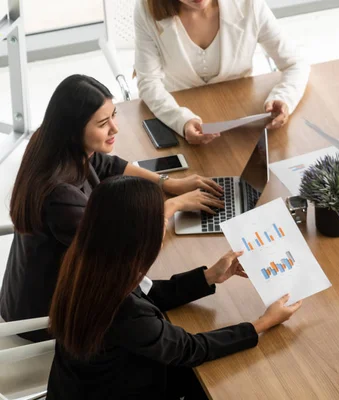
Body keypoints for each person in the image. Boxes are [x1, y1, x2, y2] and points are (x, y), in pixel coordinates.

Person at [0, 75, 225, 342]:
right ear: (73, 129)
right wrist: (172, 206)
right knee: (162, 327)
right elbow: (125, 251)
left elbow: (109, 165)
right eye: (103, 123)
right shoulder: (60, 197)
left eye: (113, 116)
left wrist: (169, 183)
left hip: (29, 294)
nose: (115, 129)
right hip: (45, 319)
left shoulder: (54, 146)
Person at [46, 176, 301, 399]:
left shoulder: (89, 264)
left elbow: (148, 294)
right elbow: (190, 349)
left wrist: (210, 276)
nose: (165, 227)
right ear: (140, 237)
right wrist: (263, 323)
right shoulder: (125, 313)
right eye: (161, 220)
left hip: (81, 385)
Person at [134, 0, 310, 145]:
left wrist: (284, 97)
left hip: (241, 123)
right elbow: (148, 83)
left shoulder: (249, 4)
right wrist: (181, 121)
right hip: (178, 118)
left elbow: (295, 63)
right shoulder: (146, 9)